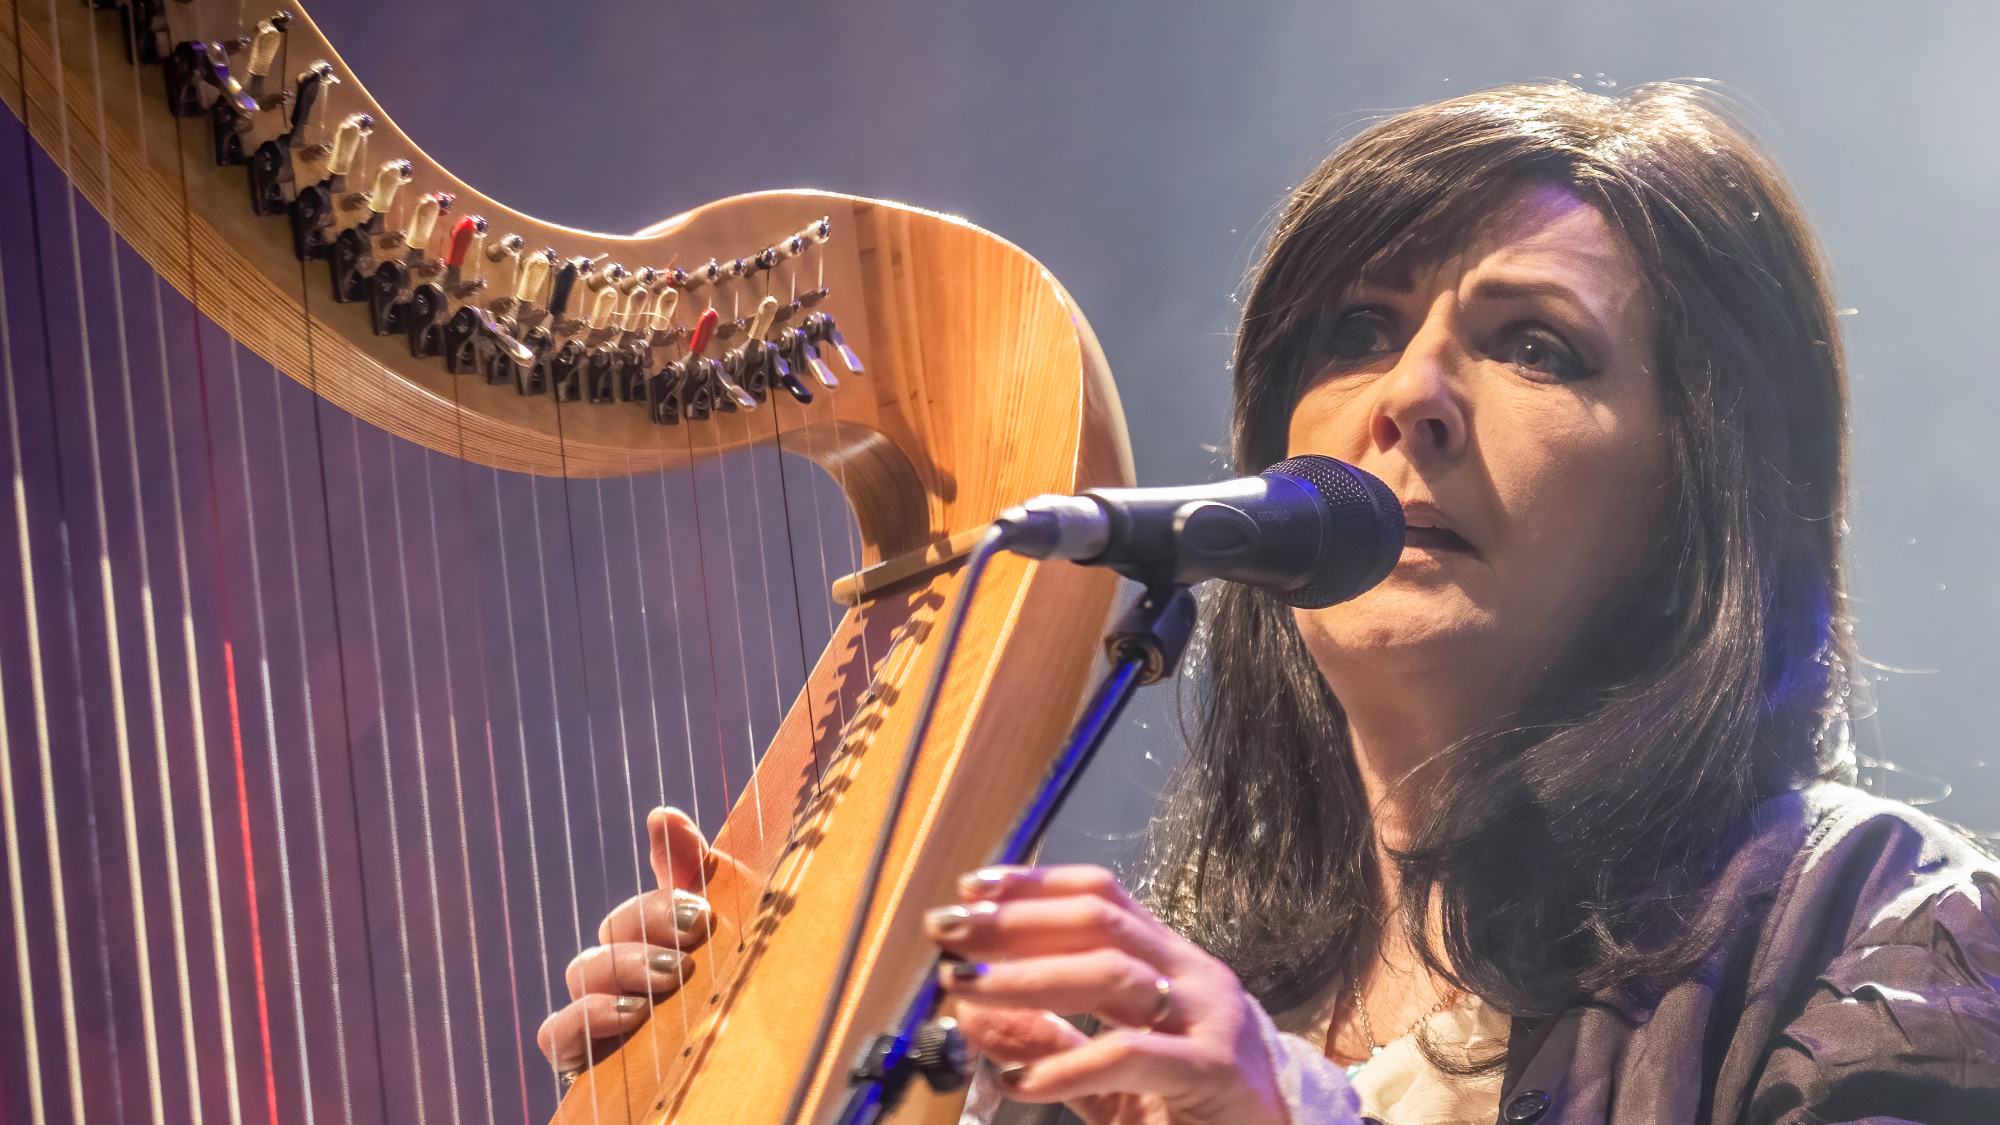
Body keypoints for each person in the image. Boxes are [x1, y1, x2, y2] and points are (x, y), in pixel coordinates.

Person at [539, 81, 2000, 1124]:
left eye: (1538, 346)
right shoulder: (1148, 1028)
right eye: (1359, 330)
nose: (1412, 393)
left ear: (1704, 497)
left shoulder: (1882, 936)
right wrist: (738, 1055)